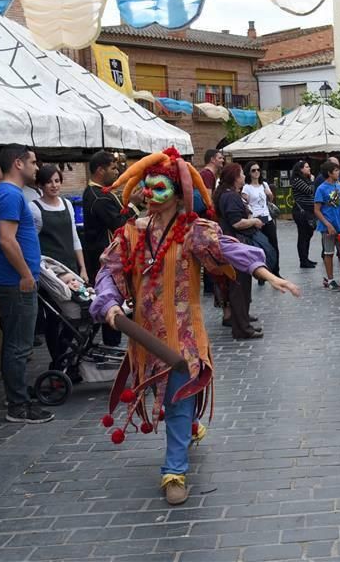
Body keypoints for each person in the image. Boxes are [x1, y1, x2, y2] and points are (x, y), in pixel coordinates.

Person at [91, 147, 299, 505]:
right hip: (145, 335)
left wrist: (267, 274)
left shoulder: (193, 232)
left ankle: (174, 471)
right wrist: (108, 304)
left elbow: (230, 249)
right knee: (165, 398)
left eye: (160, 189)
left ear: (177, 193)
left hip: (185, 334)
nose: (150, 195)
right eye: (146, 187)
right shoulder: (129, 234)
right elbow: (107, 273)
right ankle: (187, 427)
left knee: (175, 398)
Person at [0, 145, 53, 424]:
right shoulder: (9, 194)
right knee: (20, 345)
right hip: (16, 281)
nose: (37, 168)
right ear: (18, 163)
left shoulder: (5, 193)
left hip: (14, 279)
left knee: (15, 342)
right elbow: (6, 240)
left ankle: (16, 393)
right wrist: (26, 274)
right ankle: (18, 405)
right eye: (33, 162)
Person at [30, 164, 87, 382]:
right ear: (40, 185)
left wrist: (82, 267)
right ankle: (58, 361)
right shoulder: (34, 208)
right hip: (48, 272)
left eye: (57, 181)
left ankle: (68, 360)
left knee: (75, 315)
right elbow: (32, 241)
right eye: (48, 182)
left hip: (69, 267)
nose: (54, 186)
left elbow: (74, 237)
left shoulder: (67, 204)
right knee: (55, 317)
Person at [83, 151, 140, 348]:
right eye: (113, 168)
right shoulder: (98, 197)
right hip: (104, 261)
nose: (117, 172)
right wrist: (133, 204)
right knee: (110, 301)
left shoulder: (103, 193)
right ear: (100, 170)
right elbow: (119, 225)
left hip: (107, 258)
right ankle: (110, 347)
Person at [214, 163, 264, 340]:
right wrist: (254, 222)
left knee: (241, 286)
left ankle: (243, 322)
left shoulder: (229, 195)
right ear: (235, 177)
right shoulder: (230, 196)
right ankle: (242, 328)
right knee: (239, 286)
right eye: (242, 173)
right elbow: (236, 222)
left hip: (233, 244)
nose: (244, 176)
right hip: (235, 244)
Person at [314, 160, 340, 290]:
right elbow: (317, 210)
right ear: (329, 173)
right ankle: (330, 279)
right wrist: (327, 224)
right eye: (336, 171)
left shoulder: (339, 186)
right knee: (329, 252)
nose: (339, 173)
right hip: (328, 226)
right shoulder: (321, 189)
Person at [242, 160, 279, 276]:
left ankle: (276, 271)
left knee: (274, 245)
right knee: (260, 247)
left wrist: (270, 194)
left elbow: (270, 200)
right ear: (249, 172)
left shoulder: (264, 184)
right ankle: (262, 274)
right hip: (256, 219)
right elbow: (244, 203)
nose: (256, 172)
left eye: (258, 170)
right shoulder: (246, 187)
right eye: (253, 170)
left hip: (267, 217)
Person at [290, 160, 318, 269]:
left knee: (308, 234)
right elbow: (309, 190)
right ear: (300, 169)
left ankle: (306, 258)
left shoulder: (304, 179)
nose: (309, 168)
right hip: (301, 211)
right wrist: (312, 181)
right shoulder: (297, 180)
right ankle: (303, 260)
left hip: (309, 211)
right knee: (303, 235)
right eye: (306, 167)